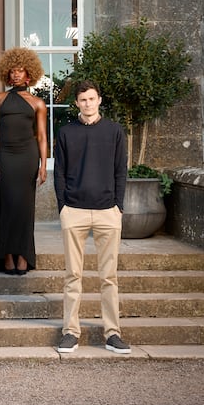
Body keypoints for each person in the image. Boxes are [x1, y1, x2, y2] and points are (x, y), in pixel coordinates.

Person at [52, 80, 131, 354]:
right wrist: (62, 206)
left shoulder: (114, 131)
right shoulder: (66, 132)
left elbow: (121, 170)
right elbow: (59, 172)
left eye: (92, 98)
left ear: (99, 100)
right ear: (77, 103)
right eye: (83, 99)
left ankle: (112, 333)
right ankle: (70, 332)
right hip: (74, 211)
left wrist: (118, 205)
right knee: (73, 275)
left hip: (108, 211)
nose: (88, 103)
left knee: (109, 276)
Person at [0, 47, 48, 275]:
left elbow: (41, 137)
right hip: (5, 157)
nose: (16, 74)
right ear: (7, 73)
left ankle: (23, 254)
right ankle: (6, 254)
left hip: (27, 158)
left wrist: (44, 165)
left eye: (20, 70)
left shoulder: (37, 103)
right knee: (8, 205)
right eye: (12, 70)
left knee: (24, 207)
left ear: (29, 74)